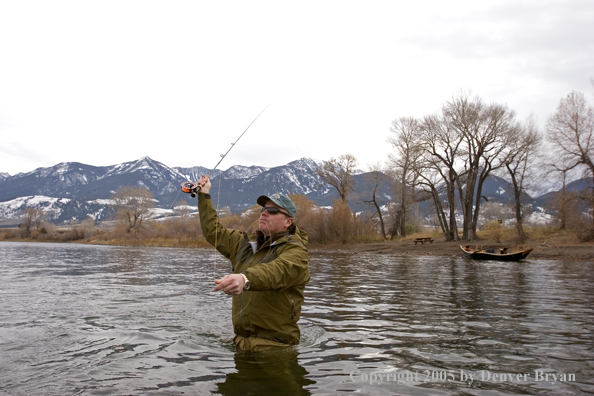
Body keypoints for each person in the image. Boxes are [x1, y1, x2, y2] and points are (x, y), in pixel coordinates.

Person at [196, 176, 310, 352]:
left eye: (272, 211)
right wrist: (204, 195)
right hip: (241, 343)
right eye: (263, 209)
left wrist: (244, 279)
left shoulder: (296, 252)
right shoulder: (243, 244)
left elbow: (278, 270)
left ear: (288, 222)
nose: (264, 212)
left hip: (276, 348)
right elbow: (214, 231)